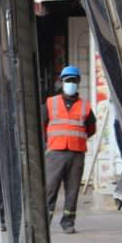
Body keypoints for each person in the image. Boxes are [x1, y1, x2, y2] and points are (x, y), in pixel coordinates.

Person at [43, 66, 96, 234]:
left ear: (78, 82)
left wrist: (77, 139)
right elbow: (41, 125)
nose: (70, 83)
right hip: (55, 152)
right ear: (62, 81)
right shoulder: (51, 103)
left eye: (74, 80)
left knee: (72, 190)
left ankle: (68, 222)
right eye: (68, 80)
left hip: (76, 153)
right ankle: (45, 221)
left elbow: (91, 128)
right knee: (50, 188)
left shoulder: (85, 107)